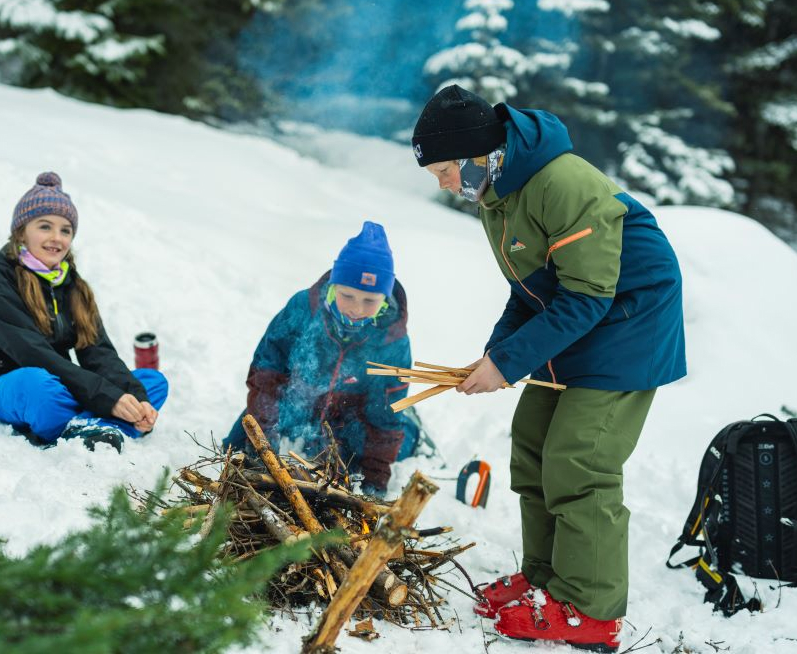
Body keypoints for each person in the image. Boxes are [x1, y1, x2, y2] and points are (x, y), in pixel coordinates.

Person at [412, 85, 685, 652]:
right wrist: (496, 356)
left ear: (475, 155)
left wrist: (508, 362)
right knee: (533, 443)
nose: (440, 182)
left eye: (442, 169)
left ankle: (590, 609)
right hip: (581, 312)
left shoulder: (562, 182)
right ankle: (546, 582)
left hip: (629, 317)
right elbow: (529, 292)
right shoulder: (496, 195)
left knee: (579, 460)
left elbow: (587, 293)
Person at [0, 172, 168, 452]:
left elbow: (99, 354)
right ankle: (105, 426)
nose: (56, 238)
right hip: (9, 384)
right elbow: (32, 353)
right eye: (45, 226)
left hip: (60, 381)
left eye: (65, 230)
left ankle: (89, 430)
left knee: (152, 383)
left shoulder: (74, 286)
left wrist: (134, 398)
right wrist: (107, 398)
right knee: (40, 387)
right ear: (22, 231)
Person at [222, 221, 419, 497]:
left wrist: (375, 482)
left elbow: (383, 416)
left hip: (349, 417)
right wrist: (262, 445)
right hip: (297, 402)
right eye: (347, 295)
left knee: (353, 473)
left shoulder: (392, 340)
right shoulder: (304, 307)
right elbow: (267, 375)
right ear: (334, 285)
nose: (356, 309)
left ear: (384, 299)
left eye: (369, 301)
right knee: (236, 448)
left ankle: (415, 429)